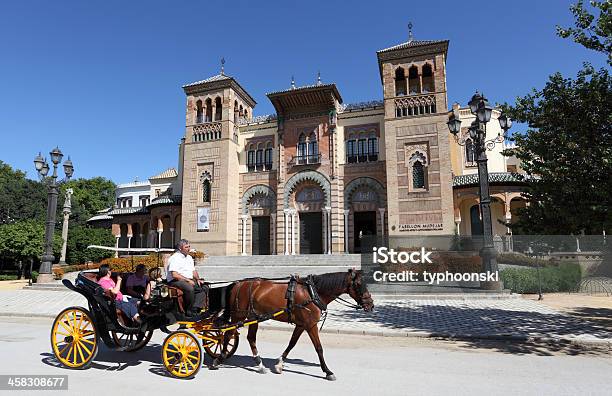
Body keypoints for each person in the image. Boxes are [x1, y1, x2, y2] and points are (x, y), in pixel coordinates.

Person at [167, 239, 206, 316]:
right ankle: (188, 310)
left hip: (187, 279)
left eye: (189, 246)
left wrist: (198, 279)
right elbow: (175, 275)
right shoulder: (175, 258)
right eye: (186, 247)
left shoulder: (189, 257)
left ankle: (195, 308)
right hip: (175, 280)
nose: (188, 249)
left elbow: (193, 271)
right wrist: (188, 280)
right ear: (180, 248)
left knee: (204, 287)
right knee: (189, 288)